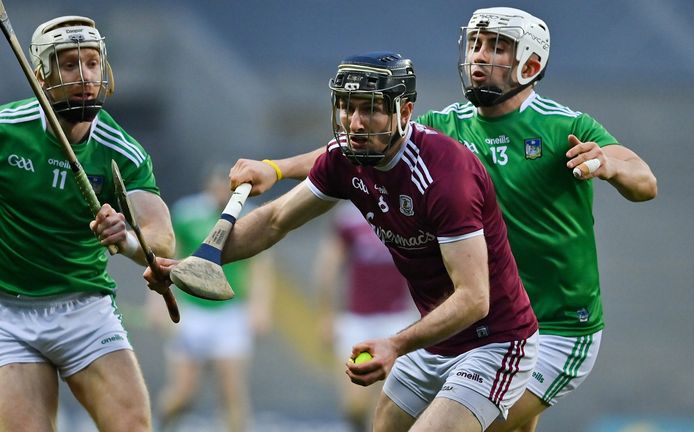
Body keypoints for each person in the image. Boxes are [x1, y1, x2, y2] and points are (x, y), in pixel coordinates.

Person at [226, 7, 658, 432]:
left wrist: (610, 164)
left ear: (530, 62)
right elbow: (353, 147)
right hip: (479, 322)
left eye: (497, 47)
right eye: (475, 44)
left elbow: (645, 181)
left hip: (561, 326)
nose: (479, 56)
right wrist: (278, 167)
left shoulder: (565, 126)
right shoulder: (445, 126)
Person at [148, 51, 540, 432]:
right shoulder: (349, 157)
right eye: (347, 107)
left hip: (495, 342)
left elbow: (473, 298)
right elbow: (273, 220)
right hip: (437, 341)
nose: (354, 122)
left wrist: (396, 345)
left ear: (404, 112)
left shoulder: (445, 178)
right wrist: (201, 260)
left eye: (369, 108)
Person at [0, 16, 175, 432]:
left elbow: (162, 239)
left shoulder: (122, 151)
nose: (84, 75)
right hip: (7, 313)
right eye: (69, 64)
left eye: (92, 62)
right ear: (41, 76)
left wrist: (129, 240)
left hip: (83, 309)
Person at [148, 167, 273, 432]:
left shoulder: (249, 216)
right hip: (192, 312)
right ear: (209, 187)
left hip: (230, 313)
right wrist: (160, 304)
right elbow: (166, 260)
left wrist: (260, 307)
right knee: (182, 395)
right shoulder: (186, 214)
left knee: (231, 394)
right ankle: (157, 426)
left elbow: (260, 266)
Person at [313, 200, 418, 431]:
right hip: (357, 320)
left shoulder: (405, 207)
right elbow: (329, 266)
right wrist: (326, 315)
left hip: (397, 320)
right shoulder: (349, 216)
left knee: (387, 405)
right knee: (354, 405)